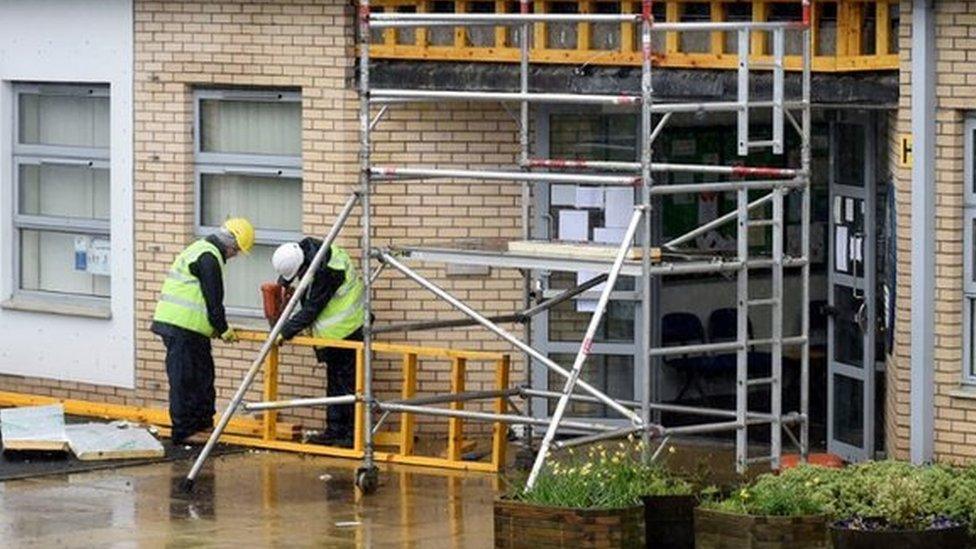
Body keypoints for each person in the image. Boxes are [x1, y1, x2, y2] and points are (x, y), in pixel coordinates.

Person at [151, 218, 255, 445]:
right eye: (237, 251)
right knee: (186, 380)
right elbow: (214, 301)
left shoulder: (202, 251)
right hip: (181, 327)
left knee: (202, 377)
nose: (235, 256)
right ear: (230, 244)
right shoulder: (208, 258)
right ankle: (185, 431)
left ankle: (202, 425)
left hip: (190, 329)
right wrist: (224, 329)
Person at [271, 238, 365, 447]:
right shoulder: (306, 250)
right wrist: (284, 285)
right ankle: (334, 430)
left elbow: (311, 310)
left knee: (346, 385)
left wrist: (283, 332)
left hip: (347, 331)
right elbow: (292, 274)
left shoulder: (327, 272)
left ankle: (350, 435)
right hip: (336, 334)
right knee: (335, 383)